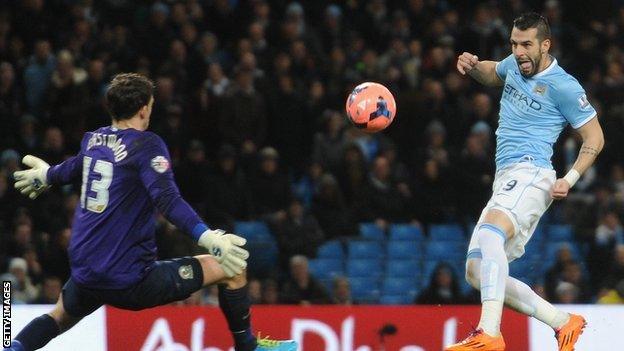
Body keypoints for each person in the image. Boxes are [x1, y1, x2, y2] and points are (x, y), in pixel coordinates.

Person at [9, 73, 296, 351]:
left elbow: (72, 168)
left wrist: (47, 175)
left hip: (87, 275)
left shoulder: (94, 140)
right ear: (145, 108)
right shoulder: (147, 145)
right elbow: (167, 200)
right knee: (233, 269)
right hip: (131, 280)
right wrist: (207, 236)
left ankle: (13, 347)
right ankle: (248, 347)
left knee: (57, 318)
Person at [447, 13, 604, 351]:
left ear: (545, 45)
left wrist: (571, 178)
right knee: (477, 270)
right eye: (514, 44)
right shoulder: (516, 64)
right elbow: (494, 73)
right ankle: (563, 322)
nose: (518, 51)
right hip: (507, 176)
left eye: (526, 45)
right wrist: (474, 65)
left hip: (532, 174)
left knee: (490, 234)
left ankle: (489, 333)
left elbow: (595, 137)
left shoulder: (563, 85)